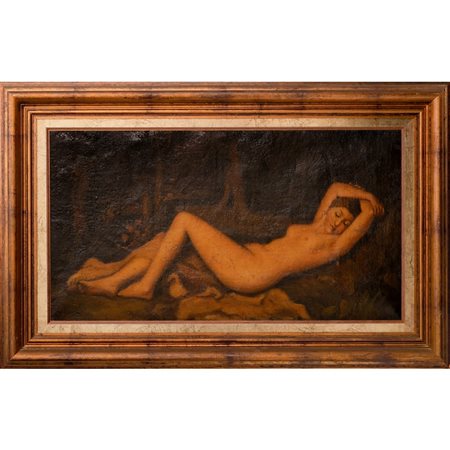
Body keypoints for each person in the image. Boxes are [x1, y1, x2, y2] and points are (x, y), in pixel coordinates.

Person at [69, 182, 384, 300]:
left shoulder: (332, 247)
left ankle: (144, 287)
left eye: (345, 223)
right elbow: (335, 187)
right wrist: (364, 192)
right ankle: (112, 278)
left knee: (184, 220)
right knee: (166, 239)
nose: (337, 223)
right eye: (337, 214)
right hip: (245, 259)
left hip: (250, 273)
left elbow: (368, 213)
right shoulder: (316, 225)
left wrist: (369, 204)